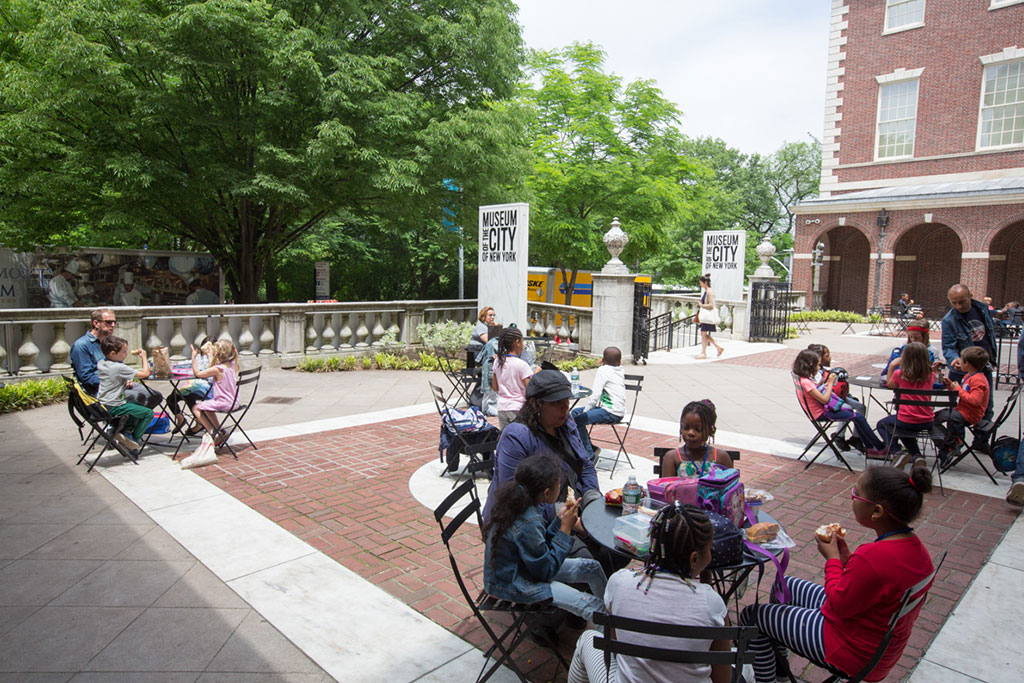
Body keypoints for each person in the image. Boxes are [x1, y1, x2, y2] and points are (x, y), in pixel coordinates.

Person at [740, 465, 935, 683]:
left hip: (852, 650)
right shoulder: (919, 552)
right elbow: (874, 584)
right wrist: (847, 561)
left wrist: (832, 560)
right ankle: (781, 672)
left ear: (877, 511)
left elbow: (836, 606)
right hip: (880, 644)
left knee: (753, 616)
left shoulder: (871, 556)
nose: (852, 498)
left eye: (856, 494)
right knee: (783, 585)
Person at [568, 503, 731, 683]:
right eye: (709, 549)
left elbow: (615, 646)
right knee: (744, 666)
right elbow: (722, 679)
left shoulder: (619, 583)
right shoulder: (712, 603)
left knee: (588, 638)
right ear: (694, 558)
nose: (710, 554)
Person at [483, 455, 606, 627]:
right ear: (547, 492)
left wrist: (559, 520)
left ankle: (611, 614)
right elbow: (545, 571)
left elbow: (537, 547)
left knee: (592, 568)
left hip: (527, 567)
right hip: (514, 583)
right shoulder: (527, 520)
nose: (561, 487)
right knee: (593, 605)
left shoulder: (525, 502)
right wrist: (565, 529)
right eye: (558, 484)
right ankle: (612, 640)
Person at [484, 369, 601, 525]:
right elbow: (513, 494)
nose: (564, 408)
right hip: (523, 525)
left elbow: (585, 464)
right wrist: (564, 518)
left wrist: (592, 498)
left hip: (568, 508)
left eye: (566, 400)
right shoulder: (516, 436)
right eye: (555, 402)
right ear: (535, 404)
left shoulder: (566, 423)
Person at [69, 309, 183, 426]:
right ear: (96, 323)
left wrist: (127, 378)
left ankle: (127, 426)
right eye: (108, 322)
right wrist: (118, 380)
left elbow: (119, 366)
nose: (112, 325)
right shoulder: (81, 346)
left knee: (155, 396)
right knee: (138, 397)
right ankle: (121, 428)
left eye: (114, 322)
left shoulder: (111, 342)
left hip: (119, 385)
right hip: (99, 392)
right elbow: (87, 378)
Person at [793, 349, 886, 455]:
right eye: (818, 365)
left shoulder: (801, 379)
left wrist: (824, 383)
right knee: (858, 417)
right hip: (822, 413)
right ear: (811, 365)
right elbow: (825, 399)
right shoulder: (806, 383)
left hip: (819, 410)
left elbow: (815, 391)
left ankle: (870, 446)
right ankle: (879, 447)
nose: (819, 367)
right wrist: (831, 383)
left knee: (857, 415)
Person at [876, 342, 939, 463]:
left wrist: (892, 365)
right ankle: (917, 456)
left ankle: (897, 452)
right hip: (927, 420)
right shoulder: (931, 375)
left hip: (906, 419)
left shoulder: (900, 374)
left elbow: (890, 384)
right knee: (904, 429)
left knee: (882, 425)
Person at [941, 284, 996, 420]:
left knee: (986, 408)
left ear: (970, 296)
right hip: (962, 369)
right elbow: (948, 347)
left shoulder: (982, 309)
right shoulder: (949, 320)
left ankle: (982, 440)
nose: (959, 306)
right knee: (955, 410)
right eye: (954, 303)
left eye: (962, 301)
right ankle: (955, 440)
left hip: (984, 366)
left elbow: (990, 335)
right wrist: (955, 359)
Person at [96, 335, 155, 456]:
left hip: (103, 404)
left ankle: (125, 432)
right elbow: (145, 373)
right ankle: (133, 441)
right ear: (113, 353)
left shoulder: (102, 363)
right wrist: (144, 357)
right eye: (123, 352)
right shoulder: (118, 367)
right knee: (148, 413)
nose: (126, 354)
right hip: (115, 405)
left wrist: (124, 382)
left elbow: (113, 378)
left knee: (136, 405)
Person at [935, 346, 990, 463]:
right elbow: (963, 393)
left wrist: (958, 390)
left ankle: (950, 443)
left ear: (968, 364)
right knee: (937, 417)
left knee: (933, 419)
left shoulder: (978, 380)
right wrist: (951, 386)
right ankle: (950, 441)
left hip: (970, 414)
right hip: (962, 411)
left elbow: (975, 400)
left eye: (962, 359)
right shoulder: (968, 376)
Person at [571, 346, 626, 462]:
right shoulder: (620, 369)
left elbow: (595, 396)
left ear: (603, 360)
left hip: (611, 412)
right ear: (619, 361)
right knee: (575, 412)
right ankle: (592, 448)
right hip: (616, 410)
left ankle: (589, 456)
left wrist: (586, 411)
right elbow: (612, 364)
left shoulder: (603, 370)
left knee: (576, 420)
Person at [660, 399, 734, 478]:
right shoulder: (672, 457)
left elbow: (731, 487)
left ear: (711, 430)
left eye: (698, 429)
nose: (690, 433)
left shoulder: (720, 457)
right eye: (686, 427)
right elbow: (666, 488)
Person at [191, 339, 239, 447]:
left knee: (196, 408)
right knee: (208, 407)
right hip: (234, 401)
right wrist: (211, 356)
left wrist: (193, 358)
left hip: (224, 402)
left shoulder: (218, 369)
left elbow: (198, 373)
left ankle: (211, 431)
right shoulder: (231, 364)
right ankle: (221, 431)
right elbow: (213, 366)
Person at [492, 327, 534, 429]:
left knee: (507, 438)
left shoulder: (497, 362)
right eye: (522, 341)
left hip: (502, 407)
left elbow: (495, 387)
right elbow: (530, 391)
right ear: (517, 342)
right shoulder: (522, 365)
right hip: (518, 408)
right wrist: (536, 375)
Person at [807, 343, 865, 416]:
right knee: (848, 409)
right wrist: (828, 382)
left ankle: (857, 427)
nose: (830, 358)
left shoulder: (825, 371)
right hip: (828, 402)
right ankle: (842, 427)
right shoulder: (816, 374)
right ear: (819, 358)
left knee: (860, 407)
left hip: (836, 397)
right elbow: (820, 393)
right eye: (827, 356)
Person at [695, 274, 724, 359]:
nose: (700, 284)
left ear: (705, 282)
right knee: (703, 334)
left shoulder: (710, 292)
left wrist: (701, 305)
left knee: (703, 334)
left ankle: (705, 352)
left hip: (707, 316)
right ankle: (716, 348)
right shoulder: (707, 291)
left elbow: (711, 305)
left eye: (701, 283)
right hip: (706, 316)